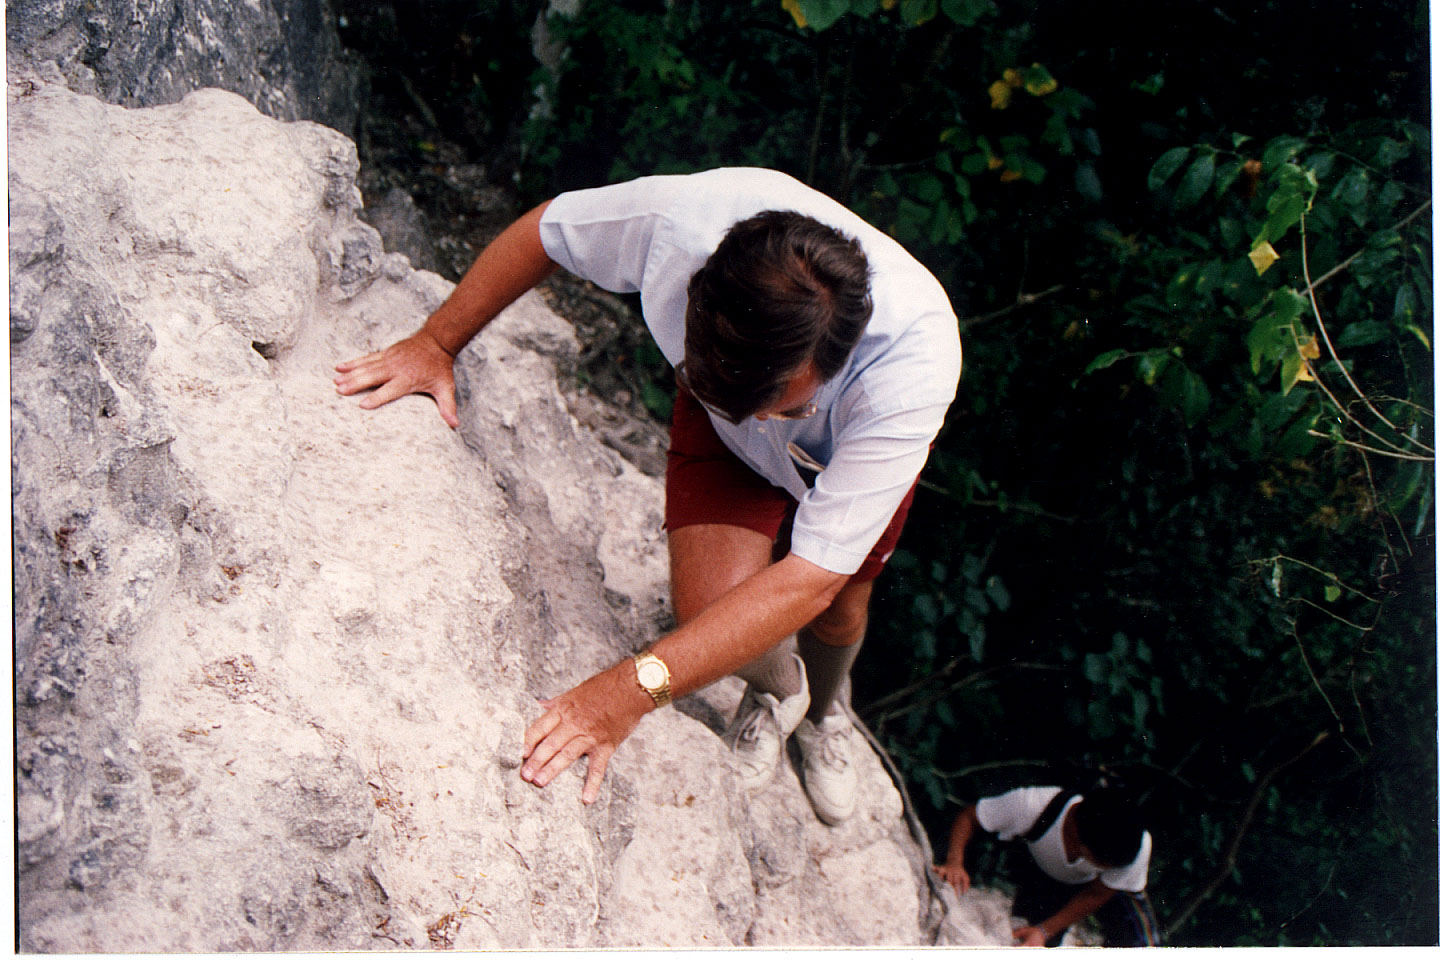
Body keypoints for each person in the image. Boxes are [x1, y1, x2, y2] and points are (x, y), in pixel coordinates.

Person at [334, 167, 962, 824]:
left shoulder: (909, 368)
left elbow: (808, 583)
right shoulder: (676, 222)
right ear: (702, 296)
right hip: (717, 415)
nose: (758, 417)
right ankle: (784, 691)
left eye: (781, 402)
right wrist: (437, 342)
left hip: (845, 451)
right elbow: (547, 231)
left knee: (842, 610)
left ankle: (827, 713)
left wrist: (629, 692)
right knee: (710, 613)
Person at [935, 785, 1159, 947]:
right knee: (1031, 940)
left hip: (1113, 891)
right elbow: (970, 817)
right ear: (1076, 836)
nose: (1108, 867)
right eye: (1103, 864)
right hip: (1048, 872)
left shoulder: (1135, 847)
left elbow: (1097, 894)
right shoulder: (1033, 806)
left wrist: (1045, 929)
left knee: (1144, 947)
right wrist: (955, 861)